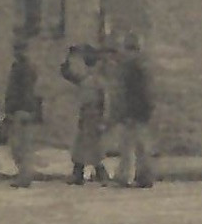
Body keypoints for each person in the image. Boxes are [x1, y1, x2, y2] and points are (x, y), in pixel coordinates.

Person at [61, 46, 110, 185]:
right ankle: (79, 173)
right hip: (86, 115)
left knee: (92, 147)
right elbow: (69, 75)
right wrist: (66, 61)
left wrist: (103, 119)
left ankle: (100, 174)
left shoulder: (98, 81)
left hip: (94, 115)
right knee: (81, 145)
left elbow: (105, 101)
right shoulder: (87, 79)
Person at [113, 32, 155, 188]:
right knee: (138, 145)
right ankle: (141, 176)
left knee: (130, 145)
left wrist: (129, 113)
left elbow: (135, 94)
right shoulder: (141, 67)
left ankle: (129, 176)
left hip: (134, 113)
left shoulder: (133, 69)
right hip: (139, 113)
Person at [4, 43, 41, 188]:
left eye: (19, 49)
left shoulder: (22, 69)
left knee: (19, 146)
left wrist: (14, 110)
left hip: (21, 110)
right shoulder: (28, 68)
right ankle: (25, 174)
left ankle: (24, 176)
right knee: (21, 146)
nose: (17, 52)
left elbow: (21, 92)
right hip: (24, 110)